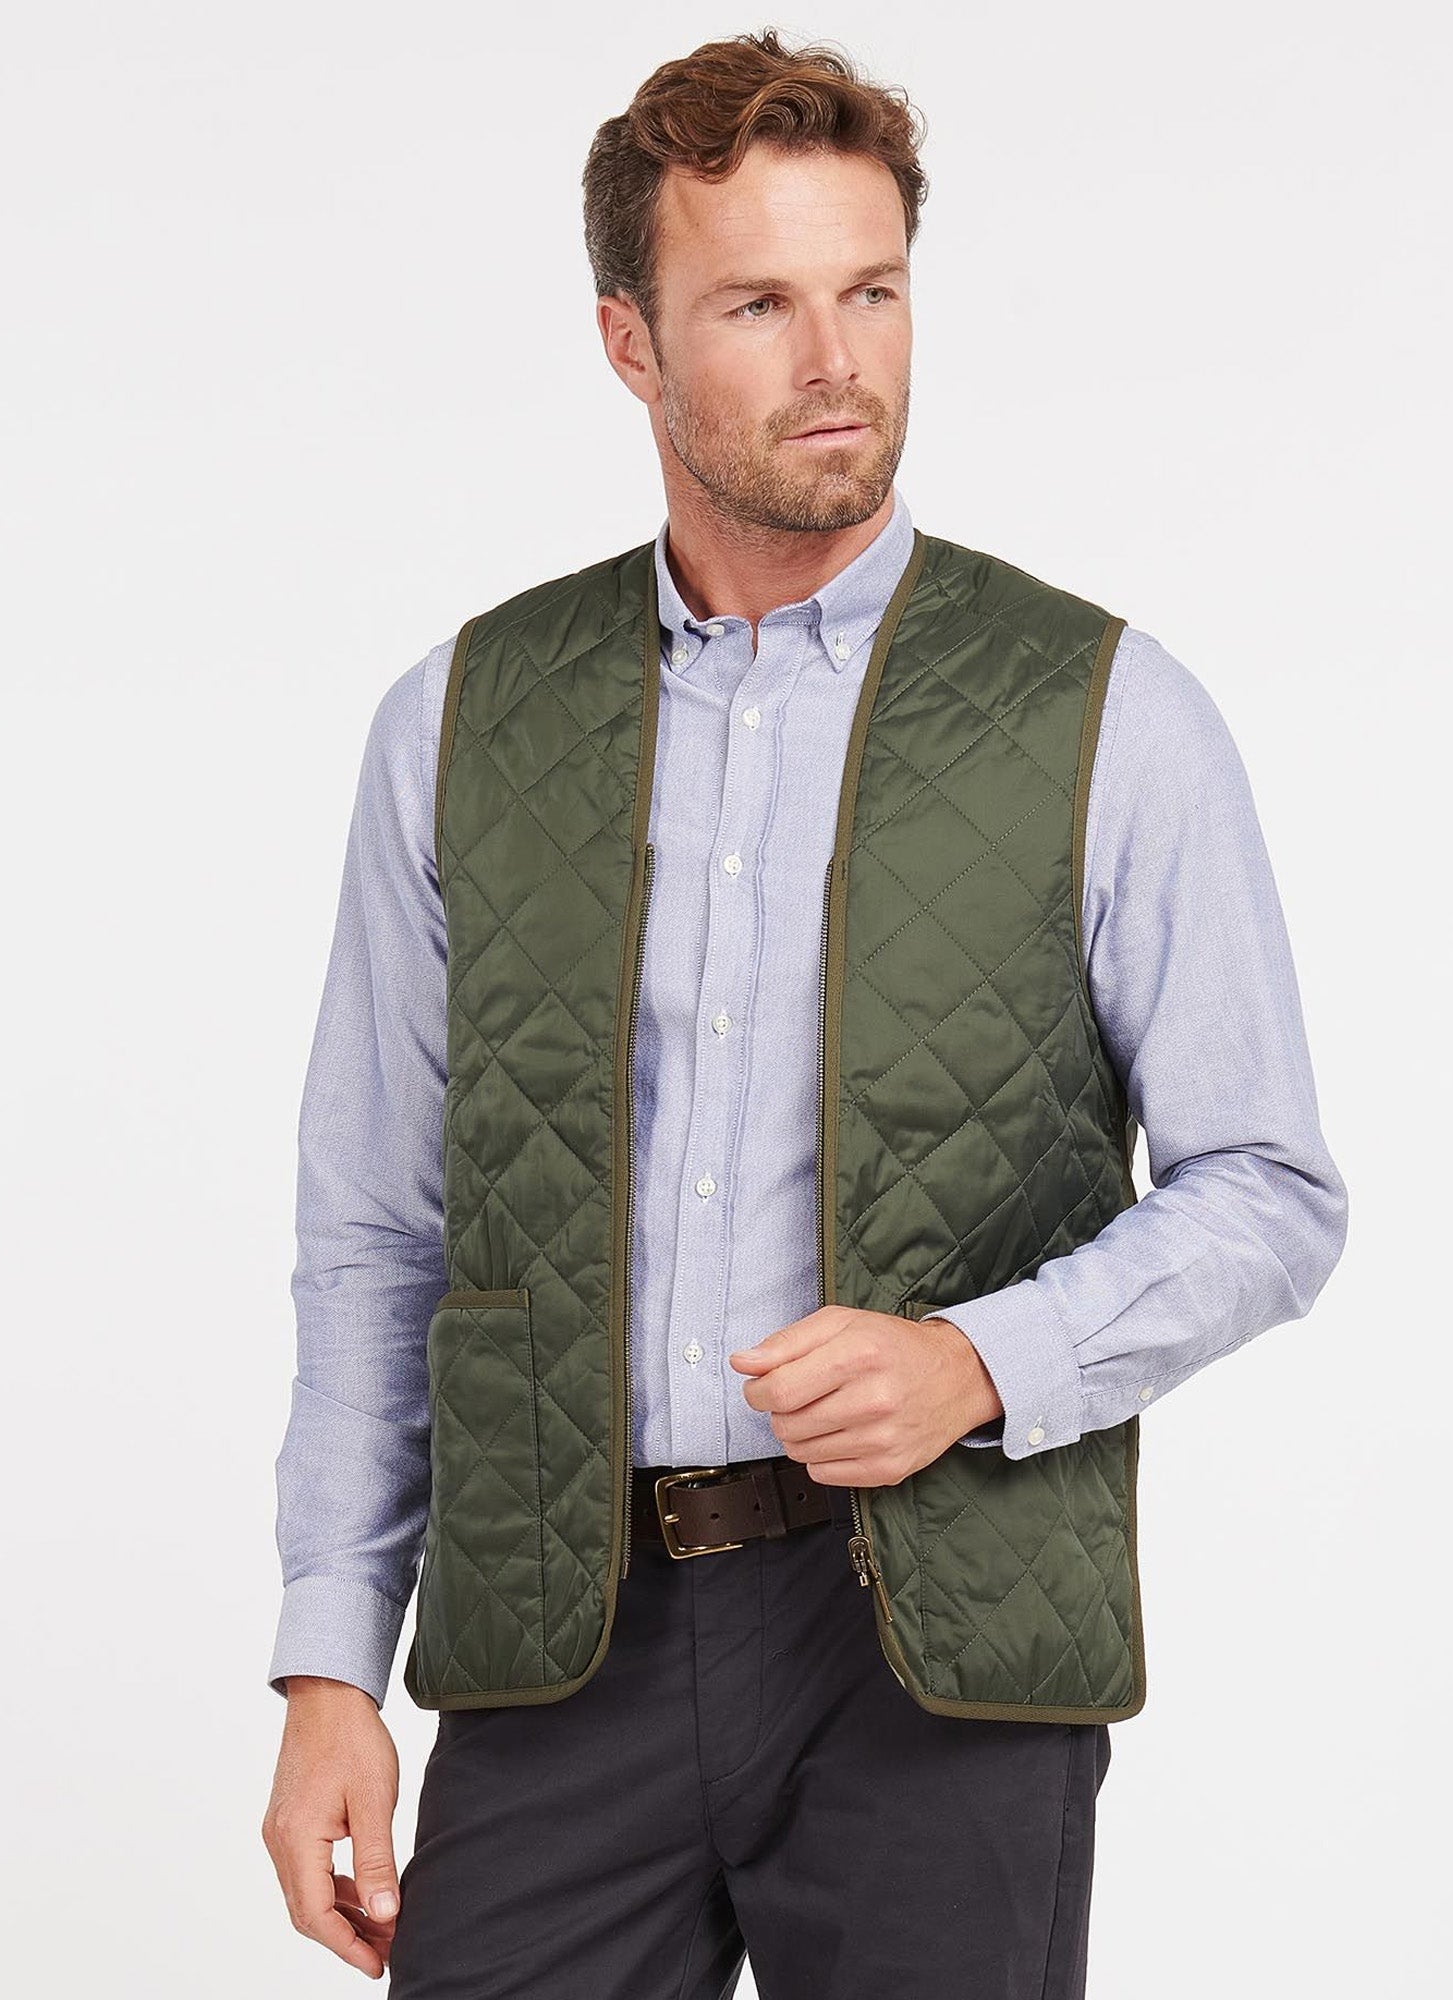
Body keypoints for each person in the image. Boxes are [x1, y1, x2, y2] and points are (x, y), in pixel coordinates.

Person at [260, 28, 1349, 1998]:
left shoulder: (1107, 713)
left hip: (934, 1653)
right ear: (631, 343)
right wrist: (332, 1662)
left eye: (873, 290)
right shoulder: (458, 723)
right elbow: (376, 1232)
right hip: (561, 1640)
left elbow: (1270, 1188)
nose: (837, 358)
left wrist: (978, 1361)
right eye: (758, 304)